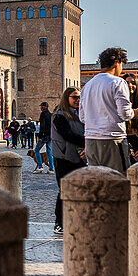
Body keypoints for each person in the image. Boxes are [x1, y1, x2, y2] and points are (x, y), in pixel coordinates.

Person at [79, 48, 138, 174]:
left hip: (90, 140)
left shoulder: (88, 85)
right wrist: (135, 113)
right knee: (118, 181)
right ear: (117, 63)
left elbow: (82, 117)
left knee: (97, 182)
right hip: (112, 139)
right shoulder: (118, 82)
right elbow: (124, 114)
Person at [51, 87, 87, 235]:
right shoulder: (59, 115)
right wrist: (89, 143)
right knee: (64, 190)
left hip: (78, 157)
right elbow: (68, 135)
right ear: (67, 98)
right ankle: (59, 222)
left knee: (78, 190)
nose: (77, 100)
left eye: (79, 97)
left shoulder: (81, 114)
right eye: (74, 97)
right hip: (63, 157)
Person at [32, 102, 54, 173]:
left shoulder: (43, 114)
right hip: (50, 135)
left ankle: (40, 167)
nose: (41, 108)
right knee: (49, 152)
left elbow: (42, 126)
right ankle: (51, 169)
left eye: (41, 106)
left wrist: (40, 136)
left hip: (44, 135)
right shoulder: (50, 114)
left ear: (44, 107)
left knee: (36, 150)